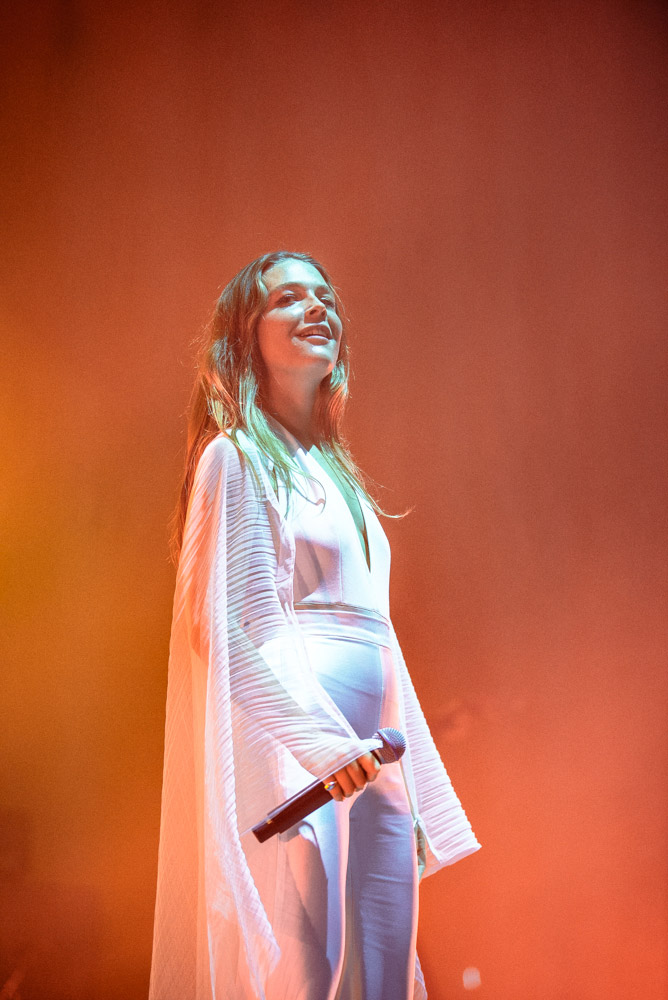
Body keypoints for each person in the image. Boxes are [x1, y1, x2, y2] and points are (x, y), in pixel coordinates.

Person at [149, 251, 480, 1000]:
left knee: (385, 976)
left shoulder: (342, 479)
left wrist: (415, 785)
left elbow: (379, 642)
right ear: (246, 337)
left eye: (325, 297)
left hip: (375, 764)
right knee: (311, 971)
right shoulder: (234, 459)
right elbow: (220, 626)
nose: (317, 308)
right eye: (289, 299)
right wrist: (322, 746)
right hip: (300, 758)